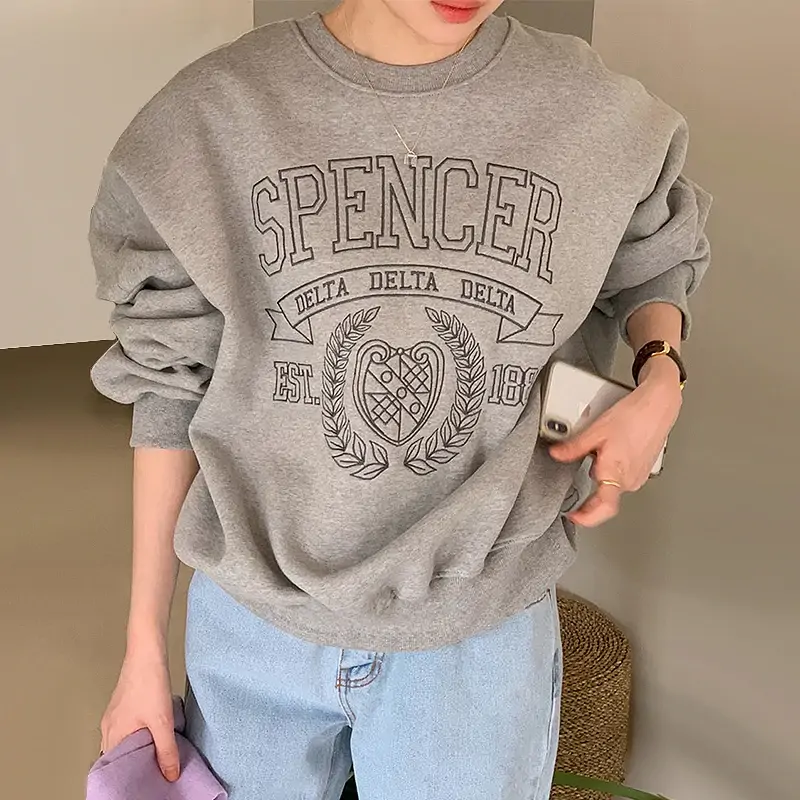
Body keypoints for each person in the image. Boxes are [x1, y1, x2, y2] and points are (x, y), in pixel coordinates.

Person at [89, 1, 711, 798]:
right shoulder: (208, 119)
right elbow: (166, 382)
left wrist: (661, 375)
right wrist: (142, 645)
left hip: (476, 639)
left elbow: (656, 253)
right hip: (253, 631)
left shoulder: (591, 109)